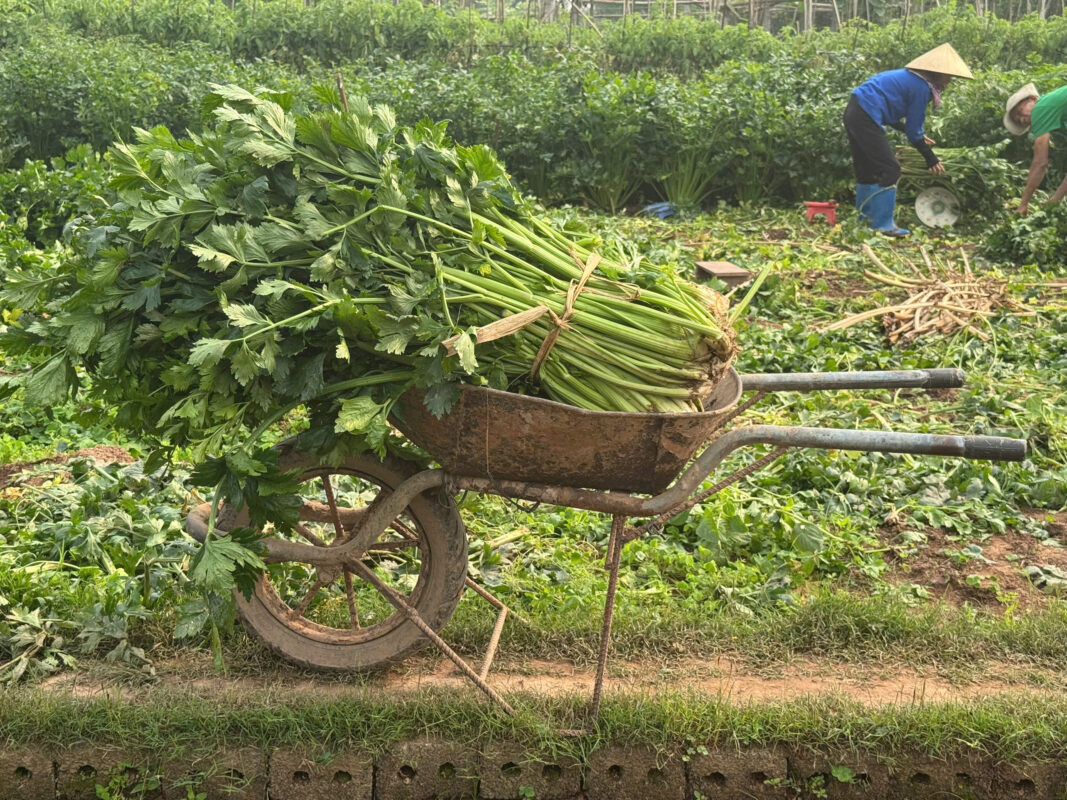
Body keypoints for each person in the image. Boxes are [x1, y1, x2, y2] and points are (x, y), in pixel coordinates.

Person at [844, 43, 973, 236]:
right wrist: (930, 158)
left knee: (867, 170)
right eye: (947, 76)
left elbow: (892, 110)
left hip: (855, 111)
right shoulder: (921, 86)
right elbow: (914, 131)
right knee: (891, 168)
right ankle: (883, 225)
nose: (948, 81)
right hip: (865, 114)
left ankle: (865, 221)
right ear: (936, 73)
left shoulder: (910, 79)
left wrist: (907, 130)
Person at [1004, 83, 1067, 215]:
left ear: (1031, 99)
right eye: (1018, 120)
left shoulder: (1040, 109)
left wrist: (1023, 204)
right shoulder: (1060, 115)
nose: (1022, 119)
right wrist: (1055, 200)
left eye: (1019, 111)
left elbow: (1040, 163)